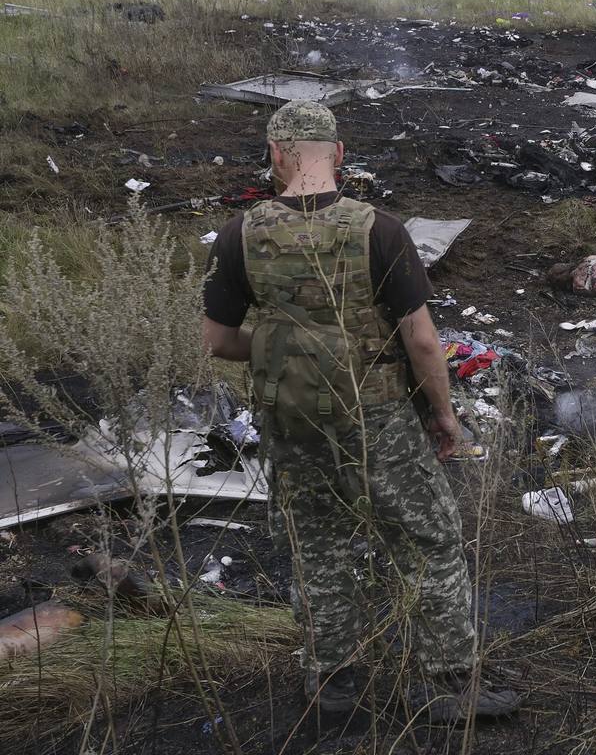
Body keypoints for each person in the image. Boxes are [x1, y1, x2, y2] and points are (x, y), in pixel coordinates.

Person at [201, 99, 518, 722]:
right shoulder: (380, 229)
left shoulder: (242, 233)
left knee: (318, 546)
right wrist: (444, 415)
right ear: (338, 155)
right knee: (428, 540)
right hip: (376, 419)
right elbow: (423, 340)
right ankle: (450, 684)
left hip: (290, 421)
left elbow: (218, 341)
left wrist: (285, 350)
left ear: (275, 157)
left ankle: (333, 686)